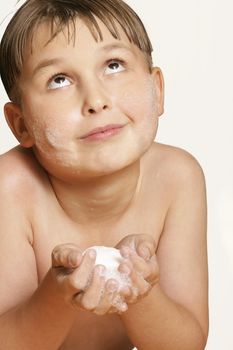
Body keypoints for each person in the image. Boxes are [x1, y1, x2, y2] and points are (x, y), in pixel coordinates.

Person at [0, 0, 208, 349]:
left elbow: (186, 343)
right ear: (21, 125)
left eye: (114, 65)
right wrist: (57, 294)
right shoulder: (10, 190)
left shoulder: (176, 178)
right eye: (59, 80)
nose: (95, 100)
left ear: (156, 90)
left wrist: (140, 293)